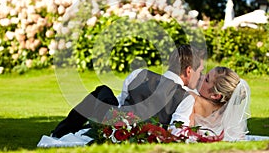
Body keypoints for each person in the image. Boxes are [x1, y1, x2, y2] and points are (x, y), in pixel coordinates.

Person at [50, 44, 204, 138]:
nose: (200, 76)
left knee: (102, 91)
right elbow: (176, 132)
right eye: (200, 71)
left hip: (116, 127)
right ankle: (72, 130)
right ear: (189, 71)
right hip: (129, 133)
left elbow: (122, 103)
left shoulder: (140, 74)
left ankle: (60, 132)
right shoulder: (186, 98)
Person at [169, 66, 251, 141]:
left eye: (207, 79)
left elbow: (177, 134)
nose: (201, 77)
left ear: (215, 95)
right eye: (206, 74)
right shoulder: (231, 115)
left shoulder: (191, 99)